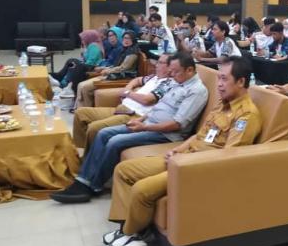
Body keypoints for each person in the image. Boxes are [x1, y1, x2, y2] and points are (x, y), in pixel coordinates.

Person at [92, 56, 261, 246]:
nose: (219, 84)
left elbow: (228, 158)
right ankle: (129, 230)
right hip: (184, 157)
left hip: (195, 168)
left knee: (141, 189)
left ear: (241, 81)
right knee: (123, 170)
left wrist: (184, 162)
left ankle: (129, 235)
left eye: (224, 79)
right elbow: (199, 135)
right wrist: (178, 150)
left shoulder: (246, 115)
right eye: (218, 78)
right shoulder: (222, 104)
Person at [52, 52, 208, 204]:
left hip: (166, 134)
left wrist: (144, 127)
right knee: (103, 133)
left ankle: (93, 186)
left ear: (189, 70)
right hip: (148, 123)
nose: (172, 75)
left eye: (176, 71)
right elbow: (158, 107)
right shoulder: (176, 82)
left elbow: (177, 124)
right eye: (171, 71)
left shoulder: (196, 91)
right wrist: (141, 119)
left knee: (115, 141)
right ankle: (83, 180)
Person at [73, 54, 172, 151]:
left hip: (133, 115)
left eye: (160, 63)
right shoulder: (154, 77)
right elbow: (137, 80)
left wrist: (127, 93)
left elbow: (147, 100)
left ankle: (88, 157)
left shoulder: (168, 83)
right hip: (121, 108)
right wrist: (128, 88)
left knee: (94, 128)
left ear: (170, 67)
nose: (156, 65)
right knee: (81, 113)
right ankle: (82, 150)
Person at [74, 31, 140, 109]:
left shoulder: (132, 52)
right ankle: (80, 109)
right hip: (114, 74)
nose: (126, 40)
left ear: (133, 40)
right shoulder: (124, 49)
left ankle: (85, 109)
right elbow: (116, 65)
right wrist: (105, 68)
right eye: (124, 38)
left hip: (121, 77)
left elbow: (123, 68)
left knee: (84, 87)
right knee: (81, 85)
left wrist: (108, 71)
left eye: (128, 38)